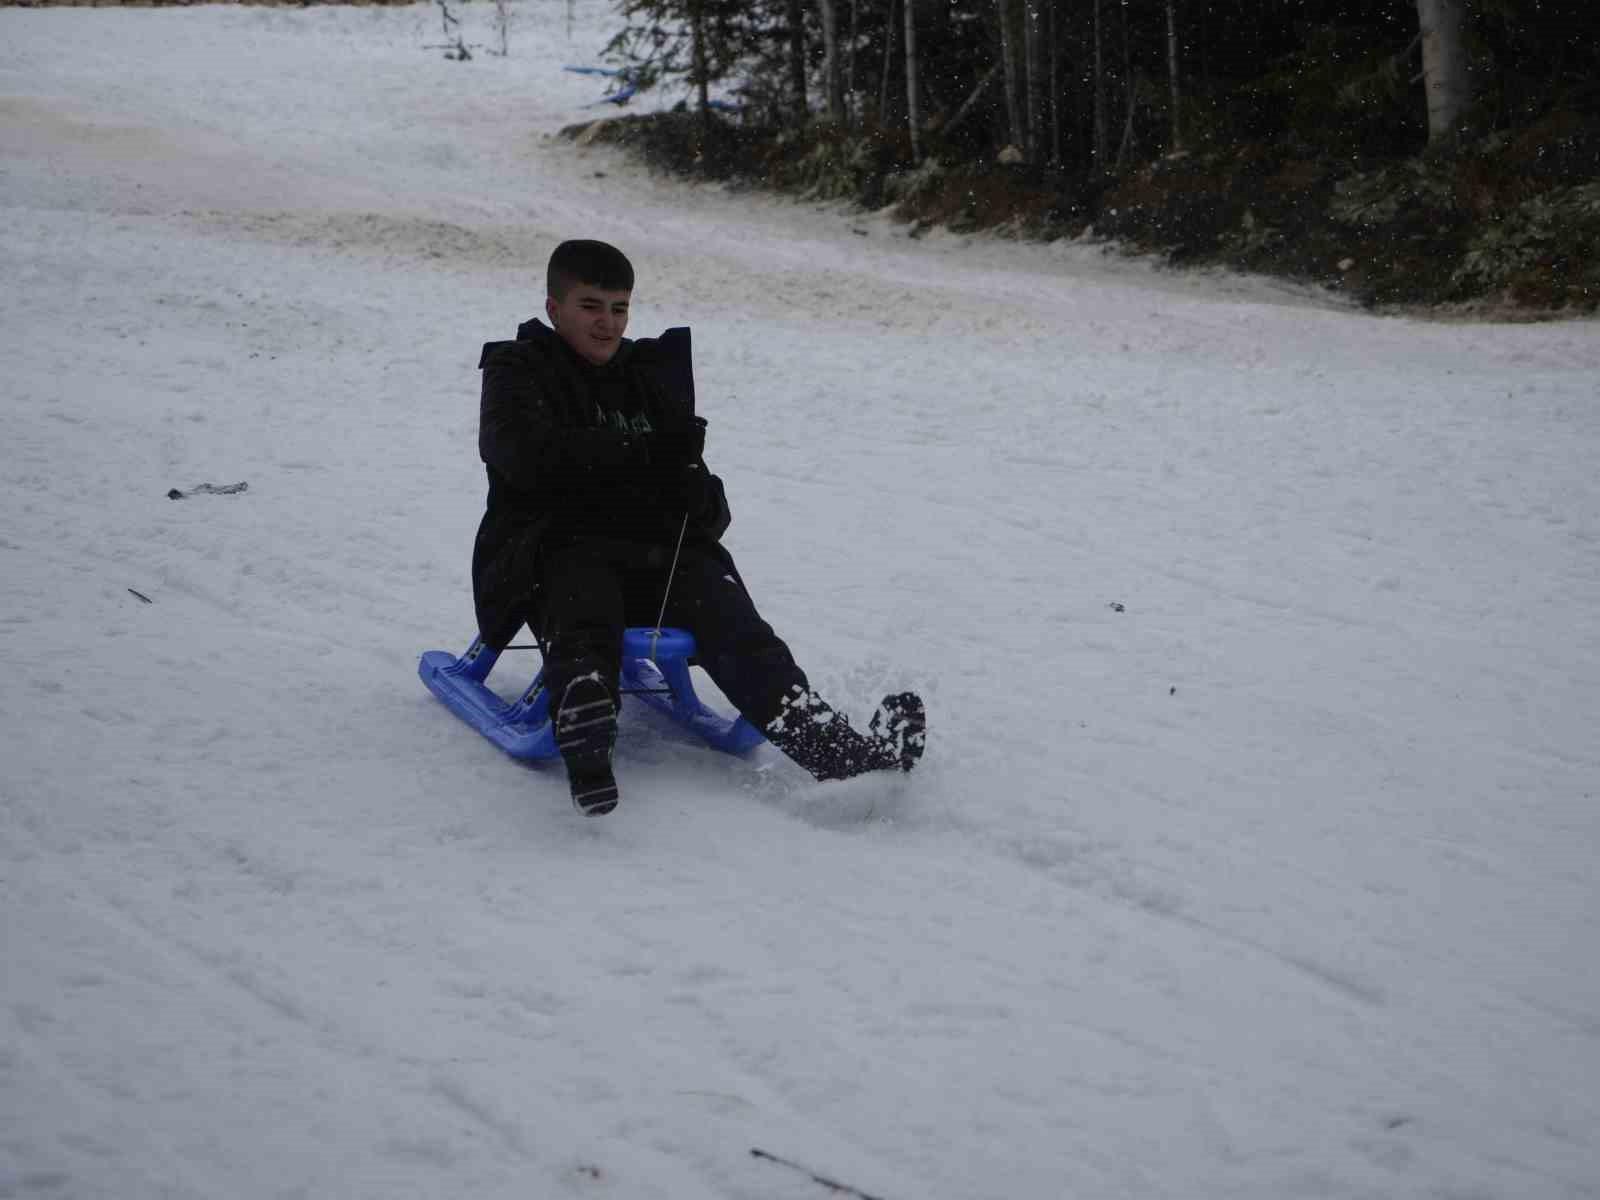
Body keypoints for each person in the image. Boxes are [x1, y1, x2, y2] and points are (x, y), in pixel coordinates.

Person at [472, 239, 925, 814]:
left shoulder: (645, 377)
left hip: (653, 556)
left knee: (733, 621)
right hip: (549, 552)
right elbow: (527, 458)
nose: (607, 323)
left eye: (619, 308)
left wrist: (697, 494)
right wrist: (641, 456)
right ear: (554, 306)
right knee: (580, 592)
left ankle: (836, 751)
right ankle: (586, 723)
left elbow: (708, 507)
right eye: (591, 306)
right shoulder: (519, 370)